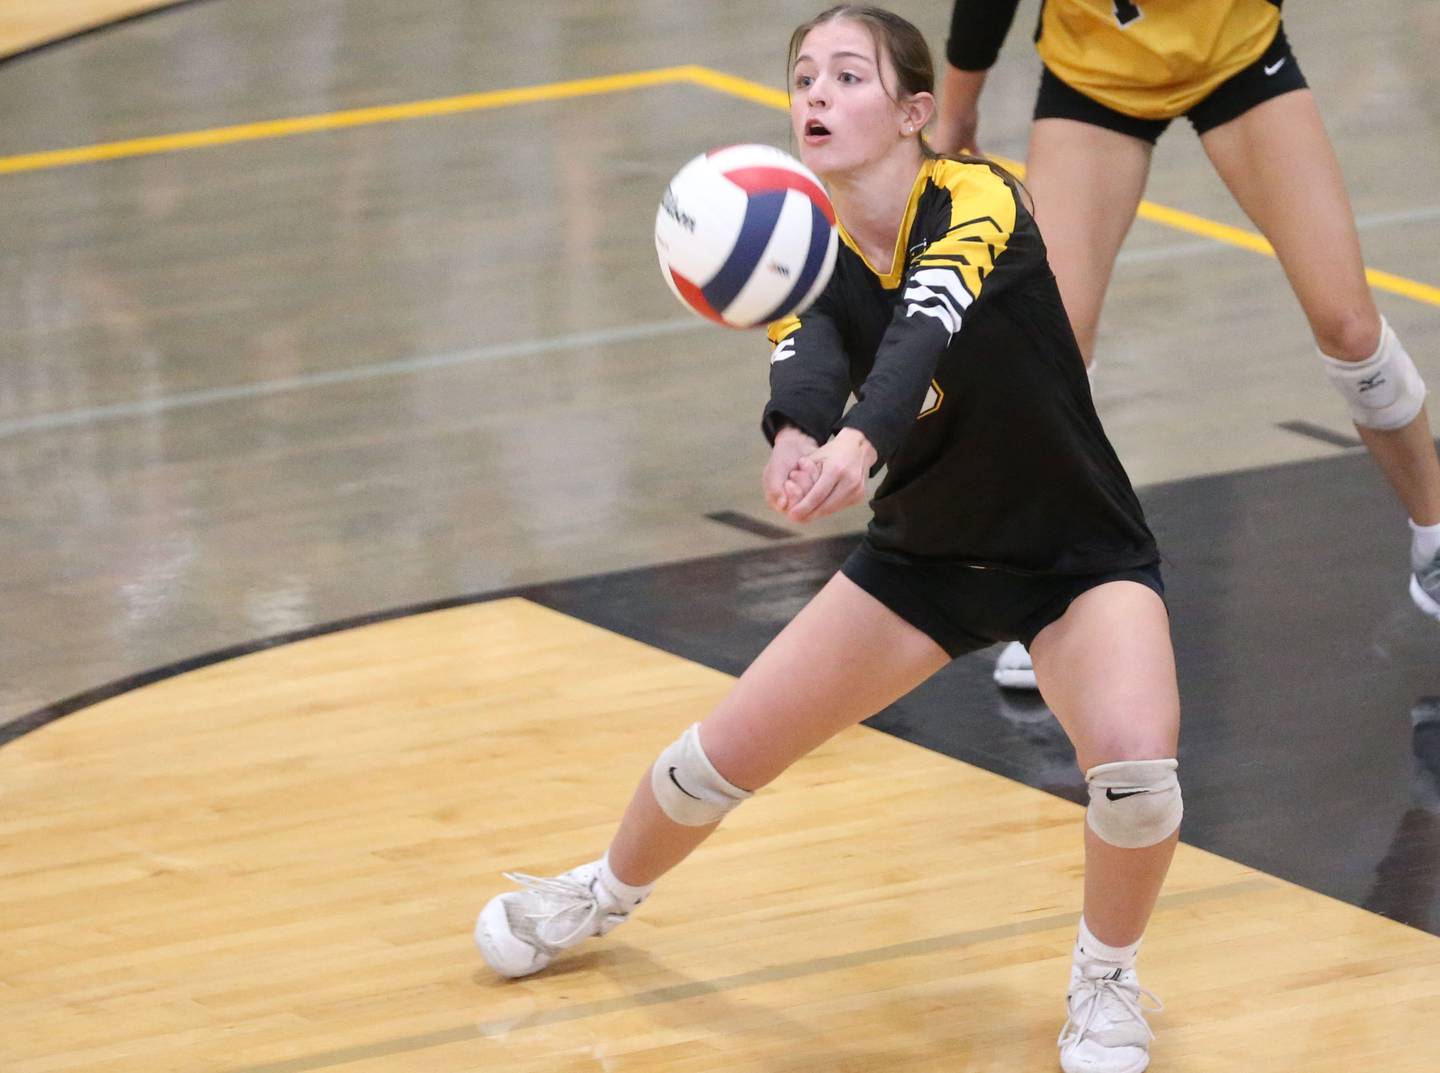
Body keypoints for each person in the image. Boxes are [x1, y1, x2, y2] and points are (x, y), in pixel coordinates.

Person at [477, 7, 1182, 1071]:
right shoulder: (799, 242)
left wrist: (860, 437)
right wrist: (799, 435)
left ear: (912, 112)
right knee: (707, 763)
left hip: (1076, 558)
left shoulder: (977, 198)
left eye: (847, 76)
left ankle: (1107, 983)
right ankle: (600, 892)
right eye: (803, 76)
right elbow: (806, 355)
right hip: (924, 560)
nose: (815, 94)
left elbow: (923, 326)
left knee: (1135, 776)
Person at [935, 0, 1440, 691]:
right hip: (1094, 73)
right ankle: (1052, 598)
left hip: (1235, 53)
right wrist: (958, 112)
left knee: (1348, 325)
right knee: (1049, 348)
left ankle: (1435, 535)